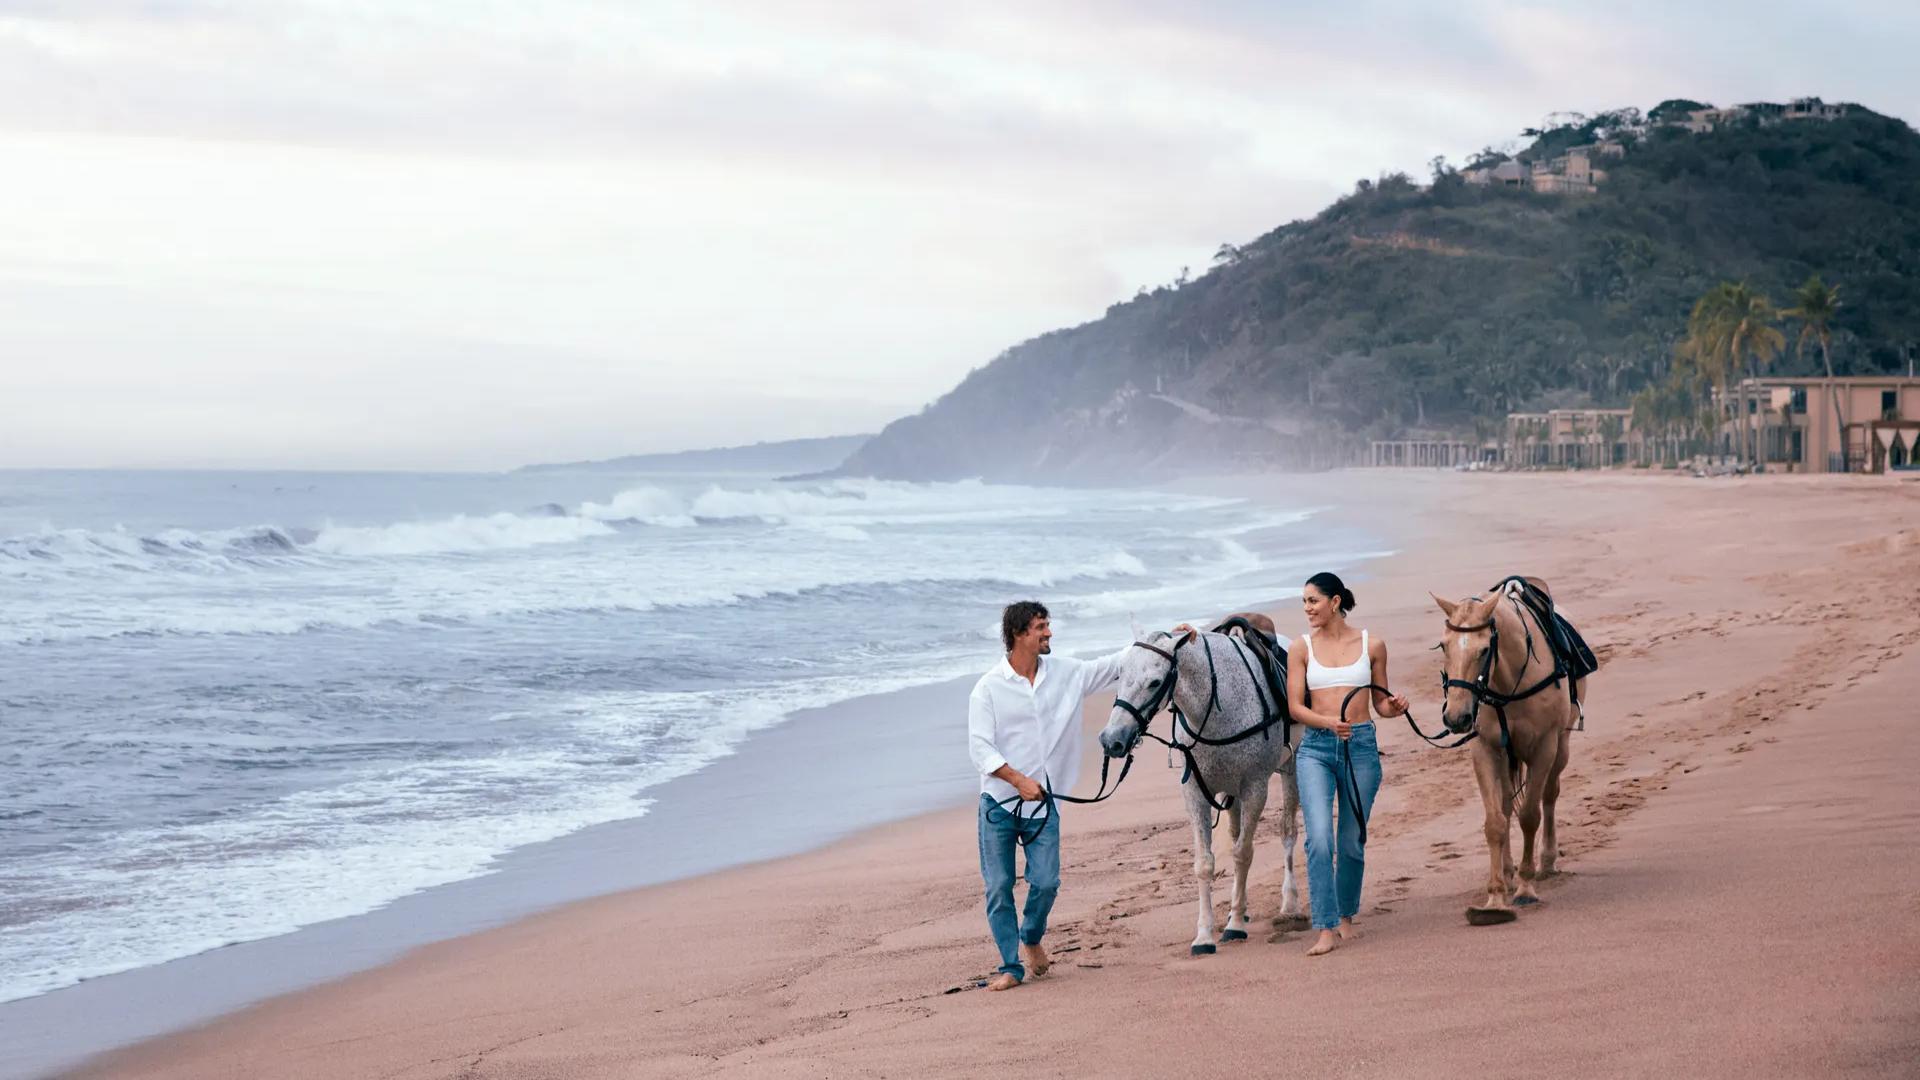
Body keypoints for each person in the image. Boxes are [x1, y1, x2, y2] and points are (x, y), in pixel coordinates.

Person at [966, 600, 1129, 991]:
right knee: (999, 886)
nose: (1049, 633)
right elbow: (980, 748)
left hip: (1044, 804)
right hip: (999, 806)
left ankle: (1031, 935)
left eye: (1048, 625)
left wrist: (1166, 639)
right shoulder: (988, 688)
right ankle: (1010, 966)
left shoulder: (1066, 673)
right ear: (1019, 634)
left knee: (1046, 883)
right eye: (1041, 627)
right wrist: (1018, 779)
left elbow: (1114, 664)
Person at [1285, 571, 1408, 956]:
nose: (1307, 609)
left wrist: (1396, 707)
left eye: (1313, 601)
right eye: (1304, 602)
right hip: (1317, 750)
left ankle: (1346, 917)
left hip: (1361, 747)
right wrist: (1327, 723)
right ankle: (1324, 927)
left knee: (1351, 841)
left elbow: (1380, 705)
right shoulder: (1300, 648)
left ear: (1335, 602)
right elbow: (1295, 707)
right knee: (1319, 838)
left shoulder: (1373, 645)